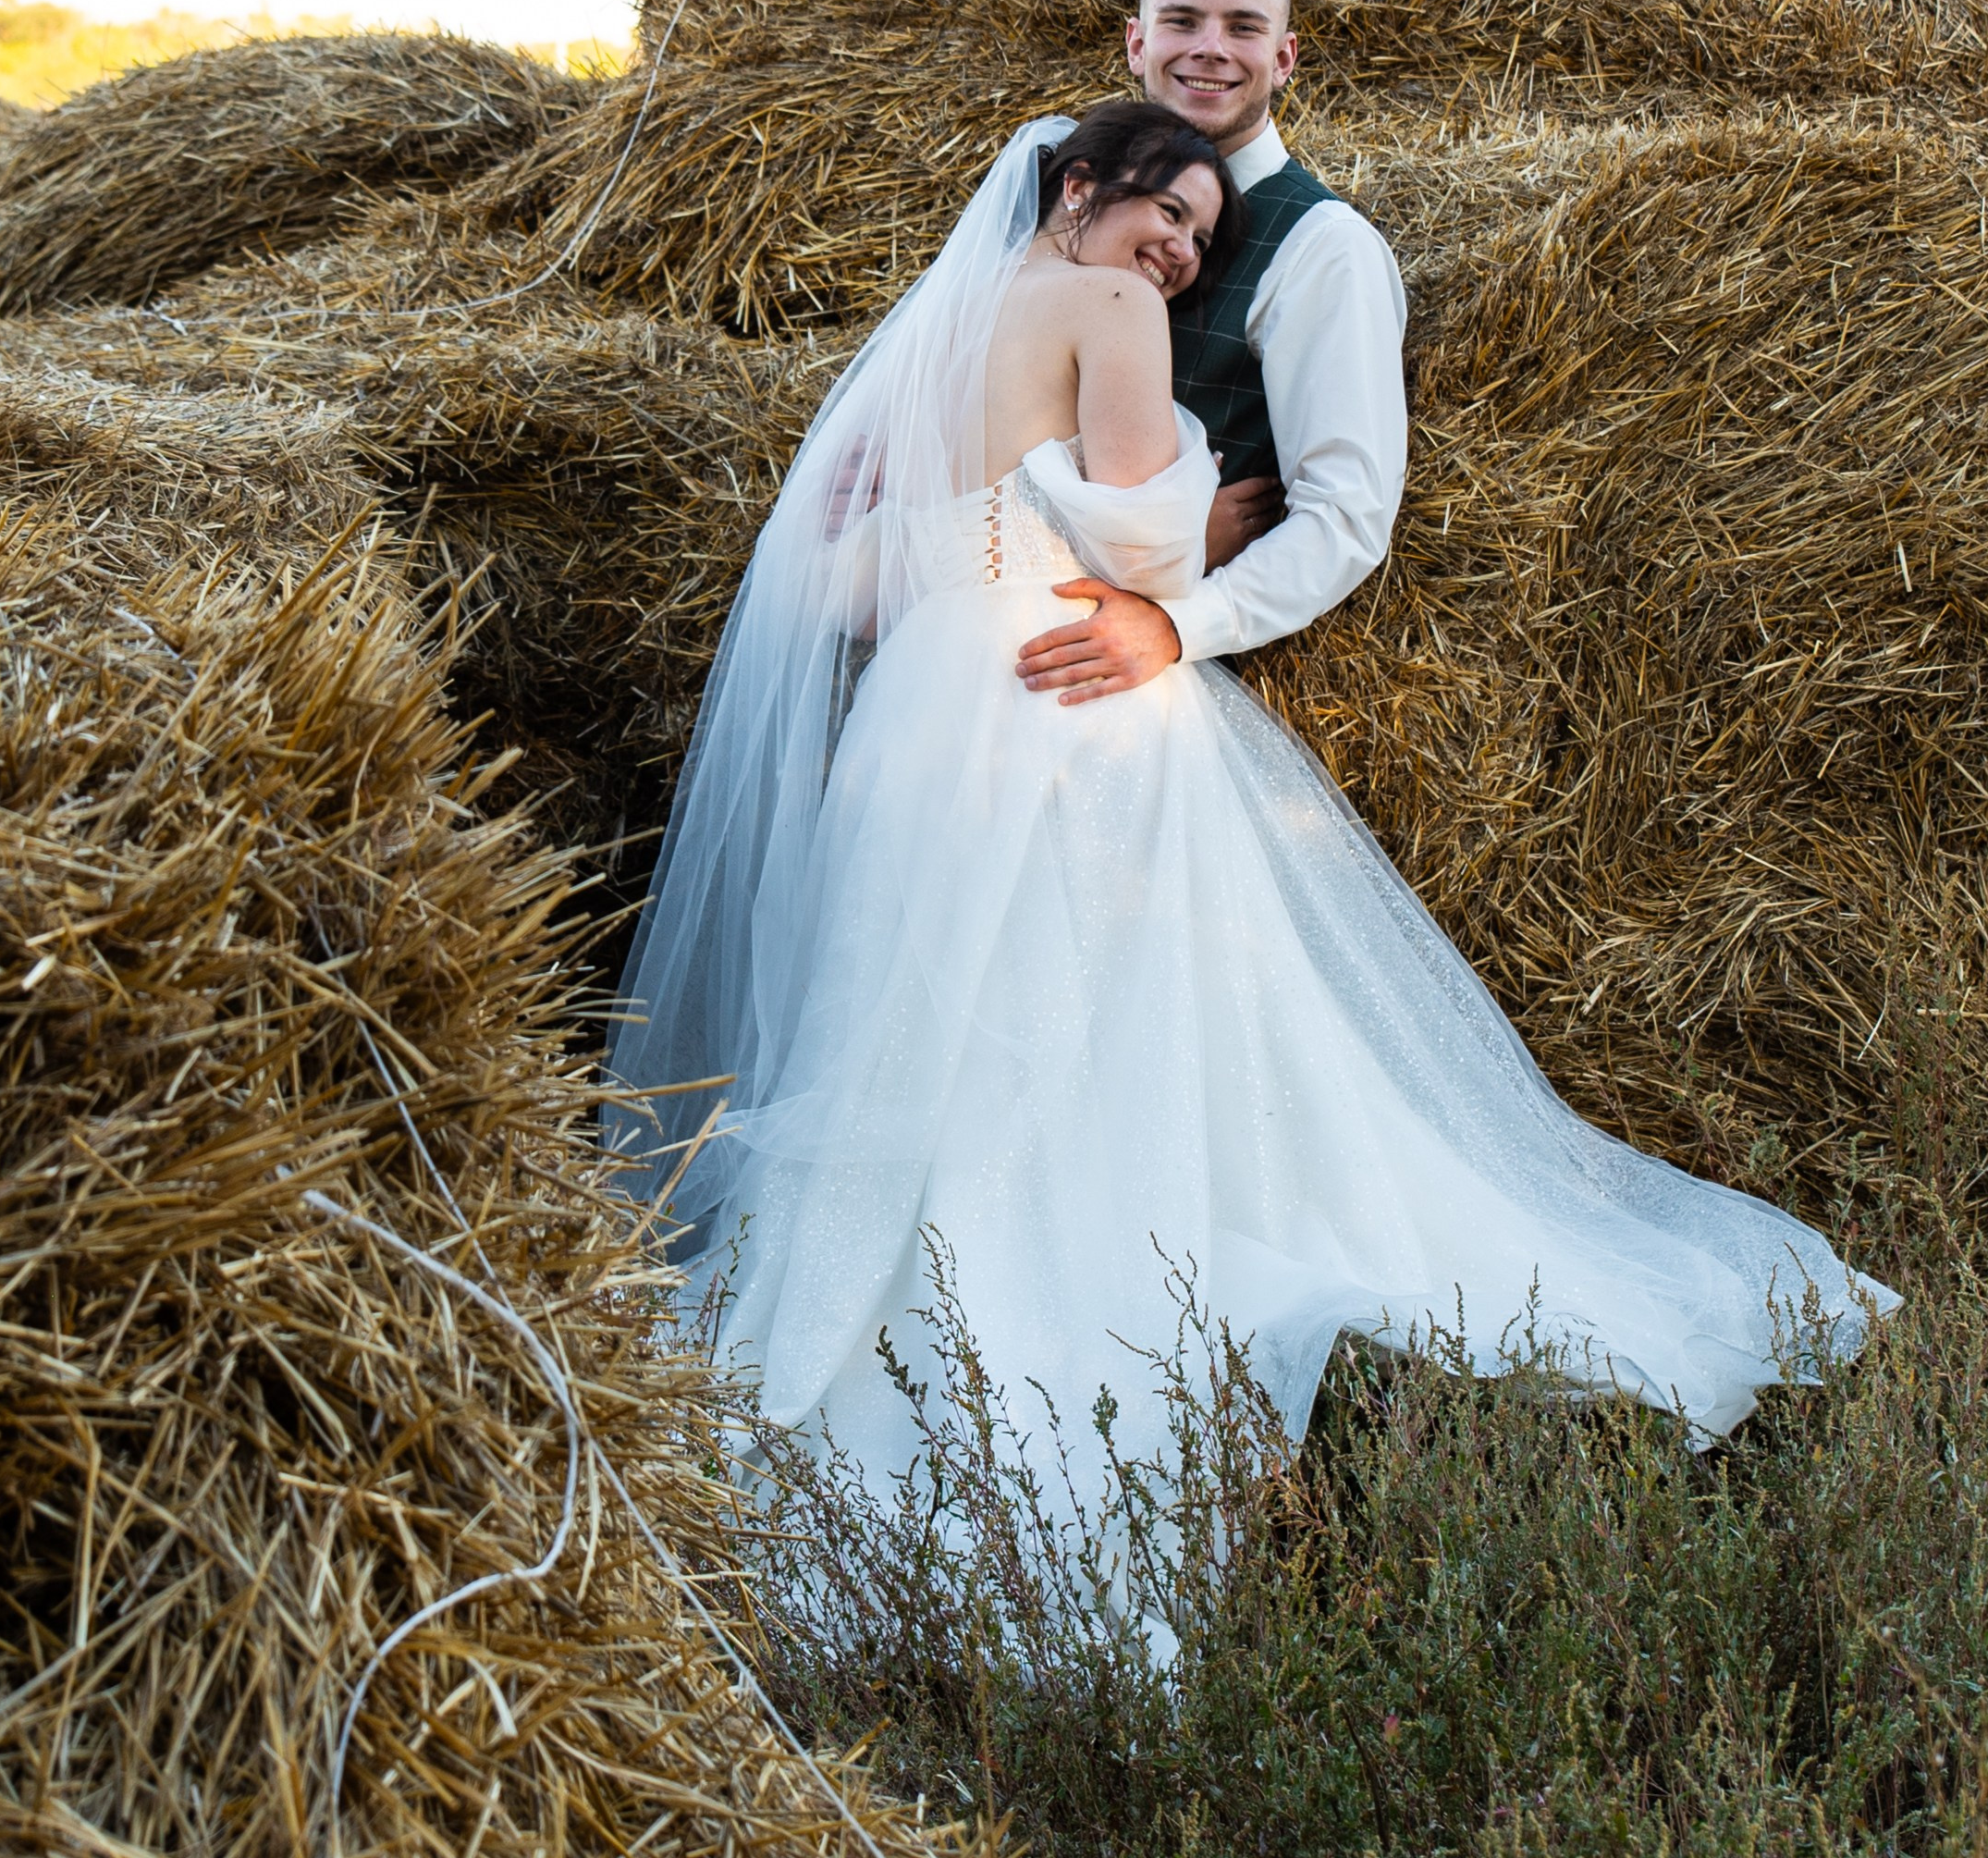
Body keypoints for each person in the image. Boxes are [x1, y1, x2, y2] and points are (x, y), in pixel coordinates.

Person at [607, 77, 1889, 1532]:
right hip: (1063, 684)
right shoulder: (1107, 306)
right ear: (1077, 187)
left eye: (1199, 240)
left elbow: (850, 580)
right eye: (1165, 213)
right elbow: (1145, 550)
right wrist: (1202, 507)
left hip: (918, 705)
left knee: (917, 1012)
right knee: (1096, 1014)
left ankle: (870, 1315)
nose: (1174, 255)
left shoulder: (934, 331)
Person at [1012, 0, 1408, 709]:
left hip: (1126, 681)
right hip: (977, 628)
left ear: (1283, 59)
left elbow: (1345, 514)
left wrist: (1177, 624)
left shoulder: (1323, 246)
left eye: (1243, 27)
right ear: (1137, 43)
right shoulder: (1055, 190)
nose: (1210, 48)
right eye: (1182, 20)